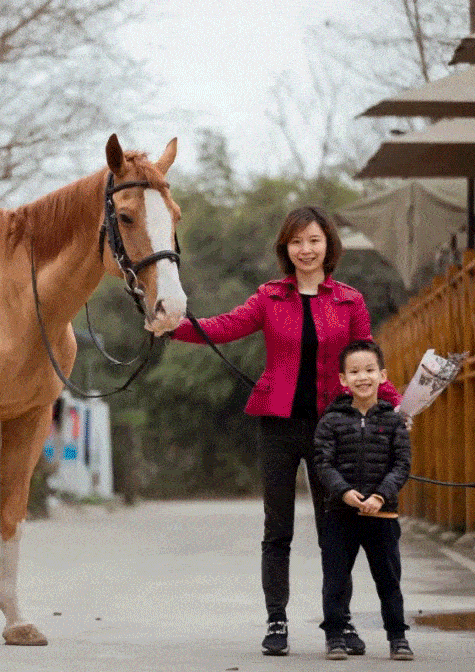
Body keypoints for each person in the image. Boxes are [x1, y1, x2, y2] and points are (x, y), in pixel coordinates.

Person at [168, 206, 401, 656]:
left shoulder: (350, 301)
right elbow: (224, 326)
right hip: (278, 426)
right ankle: (276, 621)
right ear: (285, 249)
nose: (306, 249)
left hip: (335, 430)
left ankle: (342, 621)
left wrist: (395, 403)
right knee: (278, 529)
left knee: (337, 529)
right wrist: (172, 328)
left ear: (328, 245)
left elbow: (365, 361)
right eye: (297, 242)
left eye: (314, 240)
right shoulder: (270, 297)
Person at [314, 339, 413, 661]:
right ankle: (335, 636)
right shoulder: (330, 420)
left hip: (382, 516)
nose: (363, 377)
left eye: (370, 370)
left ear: (383, 375)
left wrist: (381, 496)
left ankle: (398, 638)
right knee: (336, 580)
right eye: (354, 371)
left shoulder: (395, 420)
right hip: (340, 514)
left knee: (388, 580)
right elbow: (323, 463)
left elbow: (402, 465)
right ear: (343, 379)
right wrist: (344, 492)